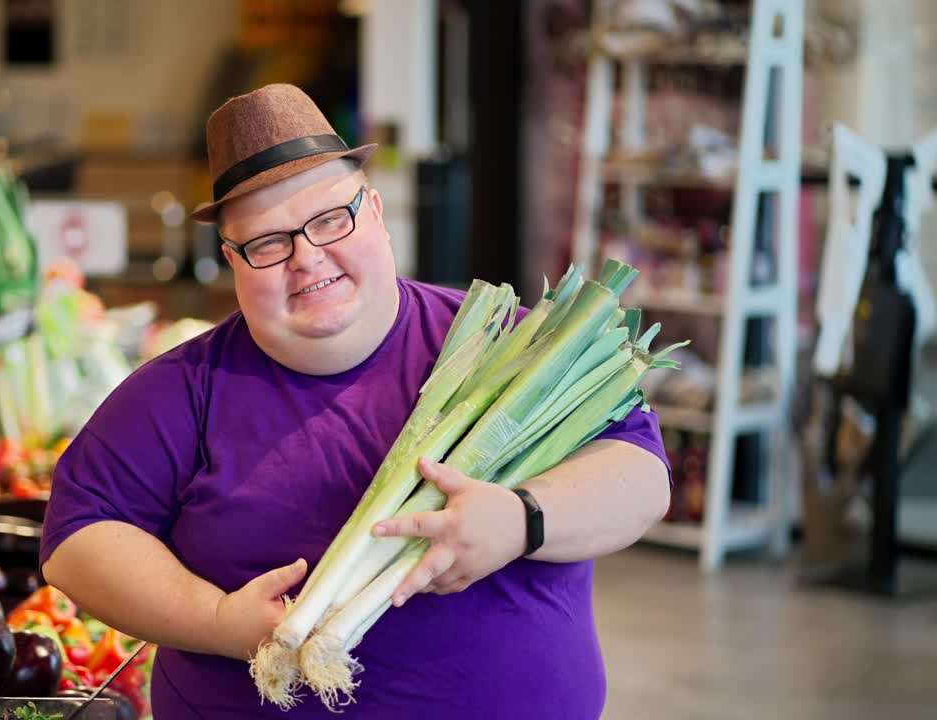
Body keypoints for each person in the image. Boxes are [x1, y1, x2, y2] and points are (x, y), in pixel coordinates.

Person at [42, 84, 671, 718]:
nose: (306, 258)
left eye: (329, 219)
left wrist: (522, 519)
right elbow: (77, 538)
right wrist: (217, 621)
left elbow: (641, 480)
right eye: (266, 243)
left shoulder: (511, 347)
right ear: (231, 259)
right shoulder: (179, 390)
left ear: (373, 210)